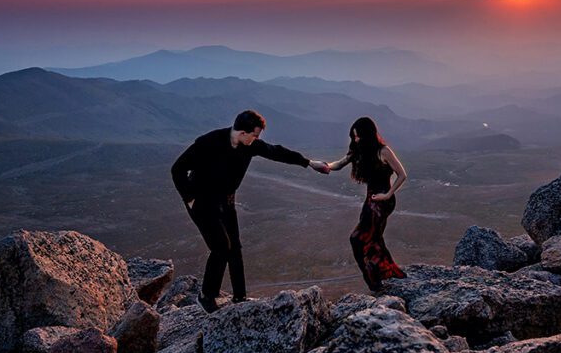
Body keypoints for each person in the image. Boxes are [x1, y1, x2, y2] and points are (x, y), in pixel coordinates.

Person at [171, 109, 330, 312]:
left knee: (235, 248)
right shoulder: (208, 143)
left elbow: (277, 152)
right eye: (254, 135)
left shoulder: (250, 146)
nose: (257, 139)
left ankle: (240, 297)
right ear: (242, 132)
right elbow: (177, 169)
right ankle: (206, 296)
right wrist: (190, 198)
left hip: (226, 200)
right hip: (202, 200)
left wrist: (309, 163)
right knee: (221, 247)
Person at [326, 116, 407, 291]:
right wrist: (323, 166)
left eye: (358, 136)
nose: (355, 140)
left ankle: (375, 280)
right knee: (373, 238)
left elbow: (402, 174)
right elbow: (339, 164)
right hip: (371, 201)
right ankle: (383, 275)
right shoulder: (360, 151)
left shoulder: (383, 151)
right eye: (353, 137)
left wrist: (388, 195)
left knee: (359, 238)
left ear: (367, 134)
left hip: (383, 202)